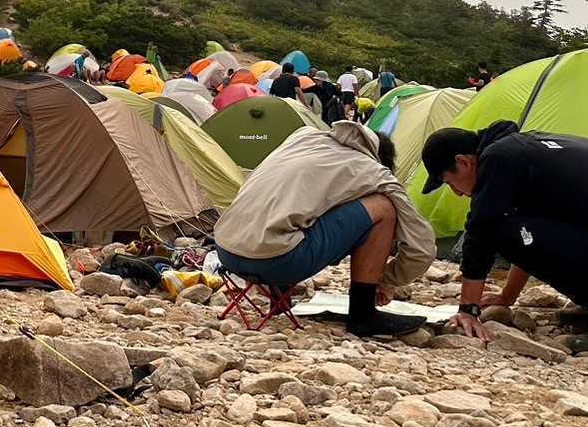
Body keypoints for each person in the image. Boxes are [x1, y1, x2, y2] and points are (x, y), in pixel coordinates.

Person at [215, 122, 436, 336]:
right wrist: (387, 281)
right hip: (277, 263)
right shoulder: (374, 171)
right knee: (383, 207)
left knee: (294, 207)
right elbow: (421, 248)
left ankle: (278, 298)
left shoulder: (302, 139)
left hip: (226, 252)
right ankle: (363, 314)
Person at [419, 122, 588, 341]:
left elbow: (481, 231)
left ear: (463, 162)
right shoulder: (520, 152)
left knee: (497, 228)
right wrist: (508, 296)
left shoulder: (498, 158)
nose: (457, 193)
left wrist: (467, 311)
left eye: (450, 183)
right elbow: (531, 236)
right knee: (513, 226)